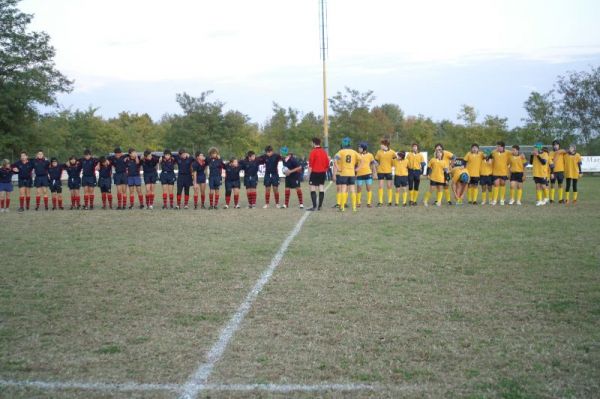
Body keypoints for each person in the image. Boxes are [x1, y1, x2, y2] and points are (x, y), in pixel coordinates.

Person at [333, 137, 361, 212]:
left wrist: (338, 168)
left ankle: (342, 207)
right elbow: (361, 160)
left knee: (343, 189)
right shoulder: (354, 152)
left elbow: (335, 159)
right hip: (351, 173)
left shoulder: (341, 152)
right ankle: (354, 208)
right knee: (352, 190)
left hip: (344, 173)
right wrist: (358, 168)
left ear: (343, 144)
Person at [306, 137, 329, 211]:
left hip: (315, 172)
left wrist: (308, 175)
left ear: (313, 143)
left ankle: (314, 206)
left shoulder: (313, 152)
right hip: (322, 172)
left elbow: (310, 165)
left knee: (312, 188)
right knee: (321, 188)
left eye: (311, 143)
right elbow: (327, 164)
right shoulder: (324, 152)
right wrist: (323, 170)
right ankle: (320, 206)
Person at [375, 139, 396, 206]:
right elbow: (375, 160)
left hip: (389, 171)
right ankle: (380, 201)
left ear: (386, 145)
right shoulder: (379, 152)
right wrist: (377, 166)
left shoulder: (392, 152)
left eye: (382, 144)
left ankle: (389, 201)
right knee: (380, 186)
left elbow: (396, 160)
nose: (380, 145)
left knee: (389, 186)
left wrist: (393, 164)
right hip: (380, 171)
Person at [356, 142, 376, 208]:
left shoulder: (370, 155)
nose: (358, 148)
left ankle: (369, 203)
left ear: (364, 149)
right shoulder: (357, 155)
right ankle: (358, 203)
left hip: (368, 174)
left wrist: (374, 173)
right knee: (359, 189)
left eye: (360, 148)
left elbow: (373, 165)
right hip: (359, 174)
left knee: (368, 188)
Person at [490, 141, 510, 205]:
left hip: (504, 172)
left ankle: (502, 199)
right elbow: (488, 157)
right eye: (497, 146)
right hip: (495, 172)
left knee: (503, 184)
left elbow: (515, 153)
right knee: (496, 184)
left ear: (503, 147)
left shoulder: (508, 152)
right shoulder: (493, 152)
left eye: (499, 146)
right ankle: (494, 200)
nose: (497, 147)